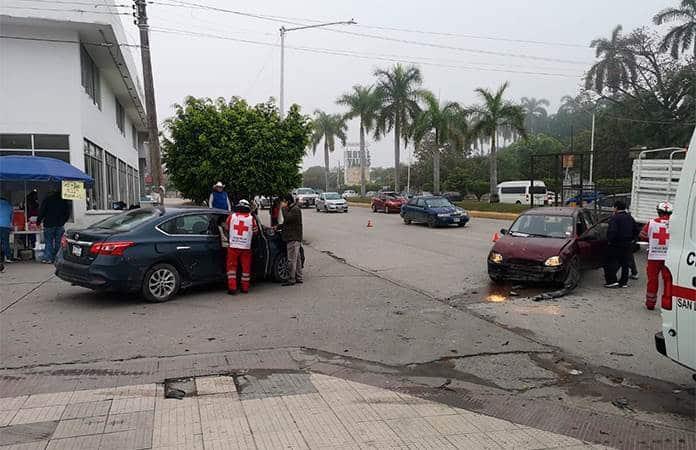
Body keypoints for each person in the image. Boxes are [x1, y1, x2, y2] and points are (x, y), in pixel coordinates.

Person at [639, 201, 673, 310]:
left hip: (654, 256)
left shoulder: (651, 223)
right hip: (669, 257)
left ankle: (650, 303)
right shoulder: (676, 225)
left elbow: (642, 236)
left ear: (658, 212)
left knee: (652, 280)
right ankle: (667, 304)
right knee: (668, 281)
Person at [225, 199, 258, 295]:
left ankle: (232, 288)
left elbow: (226, 228)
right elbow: (255, 232)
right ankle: (245, 288)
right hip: (246, 247)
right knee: (246, 269)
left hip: (233, 246)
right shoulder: (251, 218)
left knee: (231, 268)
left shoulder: (231, 217)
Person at [604, 200, 637, 288]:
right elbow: (636, 230)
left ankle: (612, 281)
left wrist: (609, 240)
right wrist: (632, 239)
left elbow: (612, 231)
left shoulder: (615, 218)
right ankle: (623, 282)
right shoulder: (630, 217)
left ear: (616, 208)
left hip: (616, 244)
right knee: (625, 264)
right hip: (627, 244)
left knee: (610, 262)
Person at [37, 191, 71, 264]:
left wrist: (38, 222)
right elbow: (67, 213)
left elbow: (42, 211)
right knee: (58, 242)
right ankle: (58, 258)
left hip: (49, 224)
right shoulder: (63, 201)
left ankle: (48, 258)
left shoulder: (47, 200)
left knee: (48, 241)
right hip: (59, 225)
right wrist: (63, 221)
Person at [280, 193, 303, 286]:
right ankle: (299, 277)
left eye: (284, 201)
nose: (282, 203)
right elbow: (288, 223)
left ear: (288, 201)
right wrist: (278, 227)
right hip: (292, 237)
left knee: (291, 260)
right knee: (296, 260)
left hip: (293, 238)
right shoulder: (292, 209)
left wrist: (283, 208)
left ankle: (291, 279)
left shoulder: (295, 209)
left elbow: (287, 218)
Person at [0, 195, 12, 264]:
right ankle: (8, 258)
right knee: (5, 242)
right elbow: (11, 218)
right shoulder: (9, 206)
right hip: (6, 226)